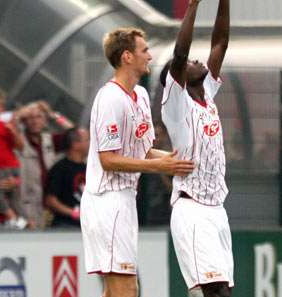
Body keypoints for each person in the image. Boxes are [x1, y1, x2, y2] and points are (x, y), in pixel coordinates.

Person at [80, 27, 195, 297]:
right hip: (106, 200)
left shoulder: (141, 96)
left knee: (116, 289)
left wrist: (177, 160)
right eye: (144, 50)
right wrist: (160, 167)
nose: (150, 56)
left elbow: (143, 151)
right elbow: (107, 160)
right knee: (126, 288)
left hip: (125, 199)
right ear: (127, 57)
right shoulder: (109, 98)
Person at [160, 0, 233, 296]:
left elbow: (221, 41)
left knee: (220, 291)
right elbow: (179, 53)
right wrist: (193, 5)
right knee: (215, 292)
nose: (197, 61)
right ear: (177, 77)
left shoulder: (208, 93)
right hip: (192, 209)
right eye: (191, 63)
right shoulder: (177, 105)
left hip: (217, 209)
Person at [45, 127, 89, 227]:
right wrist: (74, 213)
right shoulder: (60, 168)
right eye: (87, 140)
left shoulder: (88, 167)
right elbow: (51, 201)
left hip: (86, 225)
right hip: (65, 226)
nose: (90, 143)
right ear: (75, 144)